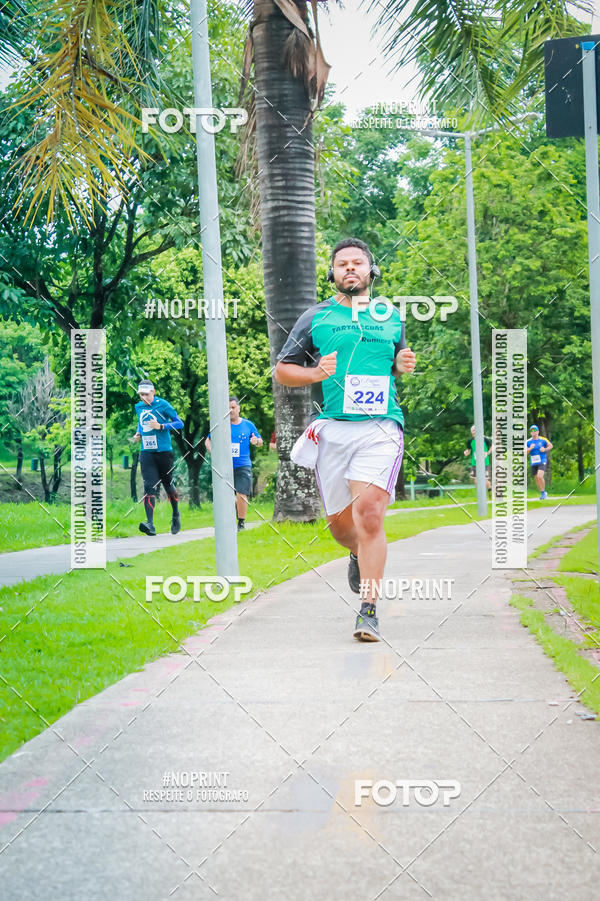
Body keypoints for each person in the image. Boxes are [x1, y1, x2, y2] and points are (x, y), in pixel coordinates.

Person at [274, 237, 416, 642]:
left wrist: (402, 364)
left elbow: (397, 361)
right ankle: (355, 552)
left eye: (358, 263)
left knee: (370, 514)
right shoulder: (315, 318)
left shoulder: (390, 315)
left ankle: (369, 611)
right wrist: (316, 373)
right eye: (341, 264)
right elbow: (283, 371)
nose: (349, 269)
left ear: (372, 270)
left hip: (381, 427)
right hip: (333, 429)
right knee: (340, 525)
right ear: (332, 273)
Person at [132, 379, 184, 536]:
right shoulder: (139, 406)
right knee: (149, 486)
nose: (143, 398)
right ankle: (150, 524)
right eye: (141, 394)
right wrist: (138, 432)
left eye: (146, 394)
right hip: (146, 452)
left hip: (164, 452)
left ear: (153, 392)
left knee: (168, 484)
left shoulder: (163, 405)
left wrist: (161, 426)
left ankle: (175, 514)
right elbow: (141, 422)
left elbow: (179, 424)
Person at [205, 397, 263, 531]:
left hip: (243, 465)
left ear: (239, 408)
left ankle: (241, 523)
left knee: (242, 493)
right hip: (224, 466)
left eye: (233, 407)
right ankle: (233, 513)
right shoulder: (221, 425)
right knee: (227, 496)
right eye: (228, 408)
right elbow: (207, 441)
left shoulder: (248, 425)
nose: (230, 410)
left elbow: (260, 441)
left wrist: (256, 441)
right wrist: (214, 454)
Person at [464, 425, 493, 496]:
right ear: (471, 432)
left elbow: (492, 447)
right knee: (476, 480)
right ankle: (480, 496)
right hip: (475, 463)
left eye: (476, 430)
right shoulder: (470, 441)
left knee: (485, 480)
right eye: (473, 430)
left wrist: (487, 453)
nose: (474, 432)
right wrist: (466, 452)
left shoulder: (485, 439)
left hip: (485, 462)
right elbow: (468, 450)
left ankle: (490, 489)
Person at [526, 424, 553, 499]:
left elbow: (551, 445)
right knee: (537, 479)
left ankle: (543, 493)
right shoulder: (528, 442)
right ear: (530, 433)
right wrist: (530, 449)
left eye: (534, 430)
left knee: (539, 476)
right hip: (534, 462)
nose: (533, 432)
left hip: (542, 460)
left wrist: (545, 449)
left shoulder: (543, 439)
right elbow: (524, 452)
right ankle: (542, 492)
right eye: (531, 431)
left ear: (538, 431)